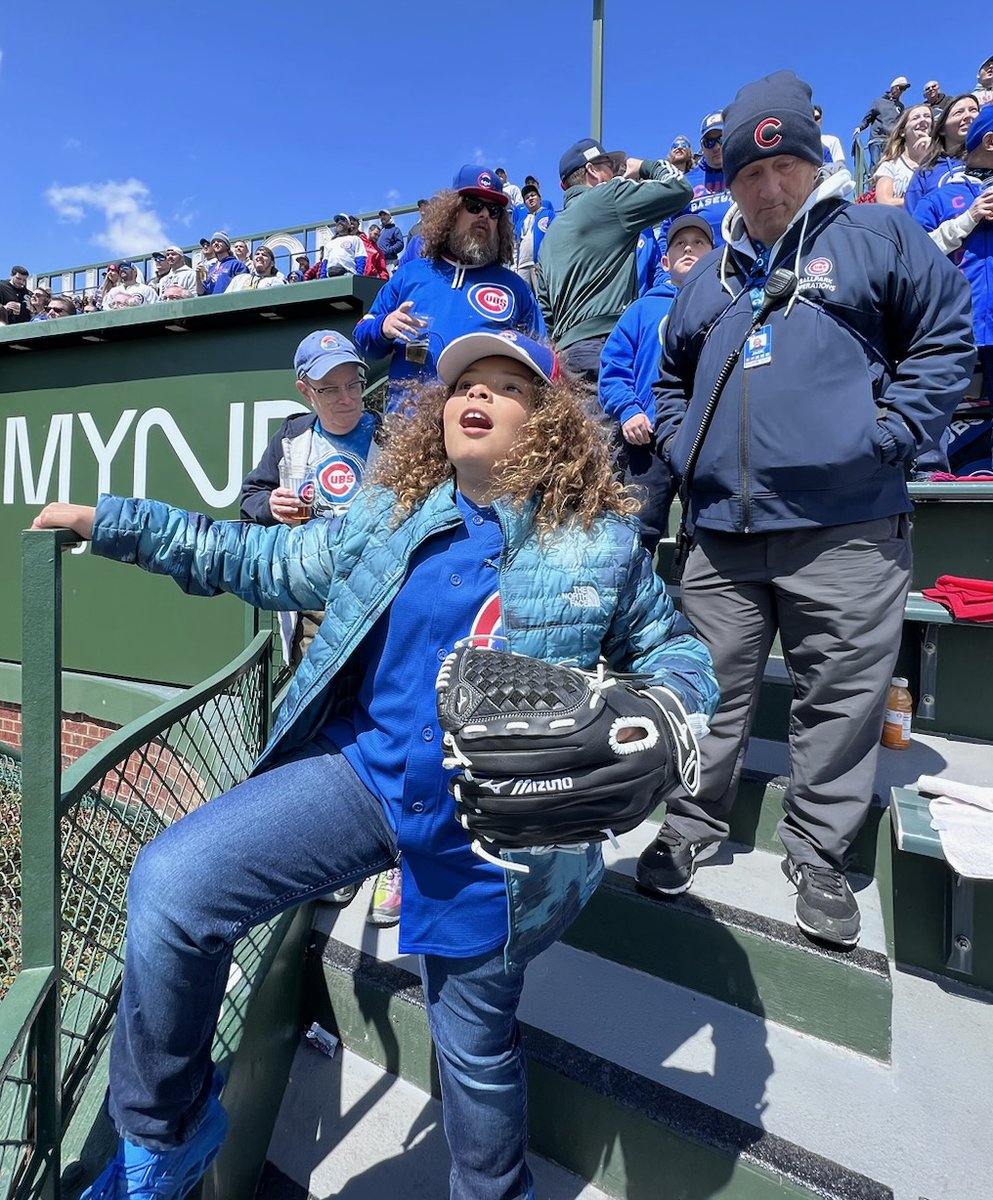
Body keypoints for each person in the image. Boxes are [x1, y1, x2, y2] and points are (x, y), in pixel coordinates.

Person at [33, 327, 718, 1200]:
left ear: (545, 420)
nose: (476, 396)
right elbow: (261, 559)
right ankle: (168, 1135)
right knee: (174, 884)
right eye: (463, 384)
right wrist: (121, 523)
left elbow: (678, 655)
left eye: (505, 387)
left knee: (472, 1049)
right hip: (364, 774)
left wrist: (662, 713)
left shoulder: (601, 542)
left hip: (491, 832)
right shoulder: (388, 510)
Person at [635, 69, 976, 949]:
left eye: (783, 163)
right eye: (749, 173)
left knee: (838, 702)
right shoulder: (706, 277)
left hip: (847, 527)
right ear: (730, 182)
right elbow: (669, 377)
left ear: (808, 158)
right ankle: (689, 825)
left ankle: (818, 855)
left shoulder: (875, 233)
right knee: (706, 693)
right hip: (722, 533)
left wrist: (891, 433)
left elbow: (942, 335)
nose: (768, 186)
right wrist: (681, 448)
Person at [353, 166, 545, 409]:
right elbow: (361, 338)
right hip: (407, 428)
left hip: (479, 431)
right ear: (452, 213)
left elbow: (543, 362)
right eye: (474, 205)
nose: (485, 215)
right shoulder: (410, 274)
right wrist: (384, 326)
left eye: (494, 210)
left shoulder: (515, 288)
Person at [600, 213, 715, 554]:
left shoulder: (729, 307)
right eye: (680, 244)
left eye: (698, 243)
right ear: (665, 260)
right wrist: (629, 410)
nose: (689, 249)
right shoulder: (640, 310)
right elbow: (613, 368)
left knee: (707, 531)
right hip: (646, 439)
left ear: (715, 253)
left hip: (706, 440)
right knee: (639, 530)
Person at [536, 138, 691, 383]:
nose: (617, 172)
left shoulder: (550, 235)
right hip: (608, 345)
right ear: (592, 171)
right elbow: (680, 188)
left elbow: (546, 312)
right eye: (609, 165)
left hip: (567, 356)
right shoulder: (608, 196)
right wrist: (644, 167)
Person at [914, 105, 993, 409]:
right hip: (956, 334)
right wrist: (968, 218)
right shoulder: (939, 198)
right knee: (951, 430)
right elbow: (914, 257)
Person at [903, 94, 981, 215]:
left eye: (973, 110)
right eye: (959, 112)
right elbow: (912, 223)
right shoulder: (926, 172)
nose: (968, 116)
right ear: (942, 130)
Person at [874, 104, 934, 206]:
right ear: (902, 132)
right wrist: (925, 202)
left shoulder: (941, 163)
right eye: (916, 118)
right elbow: (884, 202)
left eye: (927, 116)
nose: (923, 120)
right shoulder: (890, 166)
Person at [854, 76, 911, 171]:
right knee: (876, 166)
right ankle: (873, 186)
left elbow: (901, 124)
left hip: (891, 141)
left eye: (903, 89)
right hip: (877, 139)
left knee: (891, 166)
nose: (901, 91)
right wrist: (860, 128)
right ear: (893, 88)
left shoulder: (900, 107)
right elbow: (868, 118)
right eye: (900, 88)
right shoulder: (879, 102)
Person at [512, 183, 555, 292]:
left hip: (540, 264)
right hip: (522, 266)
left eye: (533, 195)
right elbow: (515, 244)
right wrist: (514, 265)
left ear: (540, 198)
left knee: (543, 297)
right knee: (525, 299)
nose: (530, 198)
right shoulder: (521, 222)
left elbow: (555, 238)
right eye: (527, 198)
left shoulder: (548, 214)